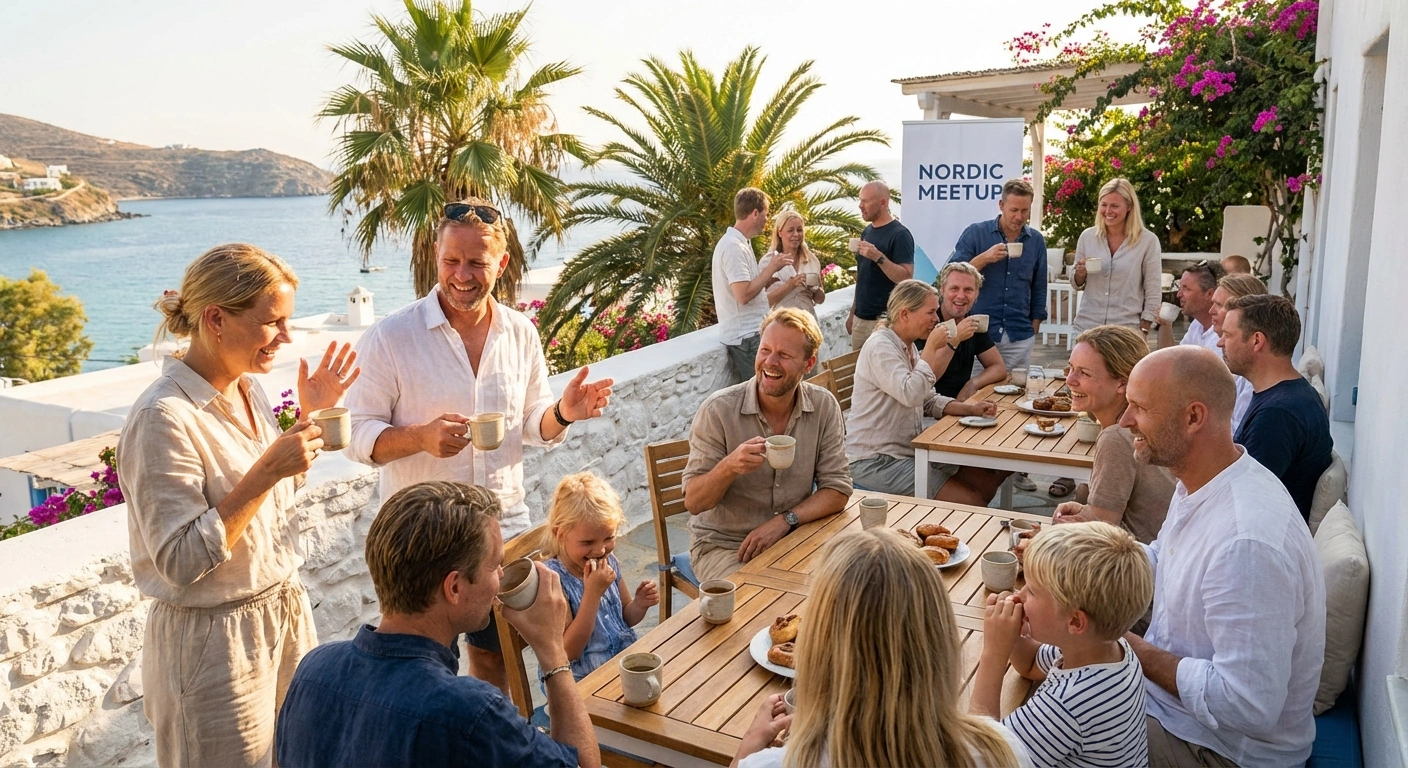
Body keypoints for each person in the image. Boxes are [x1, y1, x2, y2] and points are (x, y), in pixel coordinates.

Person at [344, 198, 613, 692]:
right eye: (451, 260)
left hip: (502, 534)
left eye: (476, 262)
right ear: (435, 256)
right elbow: (358, 437)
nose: (462, 275)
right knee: (419, 667)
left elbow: (532, 423)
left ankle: (490, 733)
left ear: (501, 263)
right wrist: (420, 437)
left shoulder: (520, 333)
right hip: (421, 540)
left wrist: (564, 413)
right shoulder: (391, 337)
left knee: (498, 660)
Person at [118, 243, 360, 767]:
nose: (286, 336)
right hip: (215, 646)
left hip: (283, 618)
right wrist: (266, 470)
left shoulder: (247, 391)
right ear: (216, 319)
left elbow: (268, 501)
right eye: (272, 322)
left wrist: (308, 422)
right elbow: (180, 559)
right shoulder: (163, 418)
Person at [275, 482, 600, 768]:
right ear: (454, 587)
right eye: (495, 566)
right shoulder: (471, 713)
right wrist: (553, 652)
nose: (501, 576)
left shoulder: (313, 667)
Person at [1119, 346, 1325, 767]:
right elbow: (1165, 559)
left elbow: (1247, 704)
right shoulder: (1205, 480)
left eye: (1139, 407)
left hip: (1221, 750)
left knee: (1048, 727)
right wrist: (1080, 557)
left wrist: (1128, 649)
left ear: (1194, 417)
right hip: (1181, 715)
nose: (1125, 421)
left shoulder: (1245, 543)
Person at [732, 529, 1033, 768]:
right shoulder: (1000, 751)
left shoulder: (772, 764)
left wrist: (749, 748)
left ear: (815, 650)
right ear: (941, 643)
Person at [683, 307, 852, 583]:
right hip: (727, 546)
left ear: (808, 364)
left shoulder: (823, 406)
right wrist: (729, 466)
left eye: (784, 355)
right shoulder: (718, 410)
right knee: (757, 599)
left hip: (794, 535)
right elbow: (694, 502)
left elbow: (837, 489)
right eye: (765, 350)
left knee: (850, 584)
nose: (770, 362)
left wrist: (786, 520)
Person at [971, 522, 1153, 768]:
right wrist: (1012, 636)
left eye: (1032, 591)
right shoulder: (1106, 649)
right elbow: (1031, 664)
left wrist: (994, 653)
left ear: (1075, 622)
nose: (1019, 595)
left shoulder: (1067, 704)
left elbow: (980, 757)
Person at [846, 279, 1002, 506]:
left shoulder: (906, 345)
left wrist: (969, 409)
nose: (937, 319)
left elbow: (926, 398)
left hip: (909, 451)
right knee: (971, 501)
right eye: (930, 312)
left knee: (985, 479)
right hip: (875, 461)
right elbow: (911, 394)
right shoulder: (881, 346)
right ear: (905, 314)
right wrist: (930, 348)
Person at [1050, 325, 1175, 544]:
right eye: (1070, 368)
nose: (1070, 380)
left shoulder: (1117, 437)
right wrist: (1086, 511)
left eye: (1084, 373)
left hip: (1139, 560)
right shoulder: (1152, 424)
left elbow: (1102, 538)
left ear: (1122, 383)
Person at [1219, 294, 1333, 522]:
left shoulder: (1278, 415)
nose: (1220, 342)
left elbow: (1243, 501)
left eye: (1228, 335)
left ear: (1257, 341)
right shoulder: (1292, 394)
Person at [543, 472, 659, 682]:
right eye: (588, 542)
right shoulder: (553, 580)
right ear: (560, 534)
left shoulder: (609, 561)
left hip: (620, 664)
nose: (600, 550)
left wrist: (639, 604)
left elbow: (625, 618)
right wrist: (592, 594)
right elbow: (568, 652)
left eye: (608, 538)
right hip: (582, 680)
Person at [949, 178, 1049, 376]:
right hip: (979, 334)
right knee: (975, 390)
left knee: (1016, 390)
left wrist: (1034, 325)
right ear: (1001, 205)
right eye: (1014, 210)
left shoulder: (1036, 240)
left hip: (1019, 335)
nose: (1019, 217)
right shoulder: (976, 233)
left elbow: (1039, 285)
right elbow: (951, 274)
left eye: (1025, 211)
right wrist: (984, 258)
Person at [1156, 260, 1254, 431]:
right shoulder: (1197, 325)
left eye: (1186, 288)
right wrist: (1165, 325)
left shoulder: (1235, 353)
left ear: (1209, 294)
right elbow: (1172, 362)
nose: (1179, 294)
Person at [713, 187, 790, 380]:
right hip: (746, 338)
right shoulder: (733, 247)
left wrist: (766, 281)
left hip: (751, 335)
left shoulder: (740, 243)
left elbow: (746, 287)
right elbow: (743, 295)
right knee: (764, 390)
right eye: (766, 214)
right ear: (755, 213)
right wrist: (771, 268)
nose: (767, 220)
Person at [1071, 178, 1162, 335]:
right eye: (1104, 204)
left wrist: (1145, 328)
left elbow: (1153, 289)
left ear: (1129, 207)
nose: (1107, 211)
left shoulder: (1148, 241)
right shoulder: (1087, 237)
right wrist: (1079, 274)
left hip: (1126, 330)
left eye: (1114, 206)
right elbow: (1076, 283)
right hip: (1087, 327)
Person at [847, 180, 915, 351]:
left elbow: (906, 277)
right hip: (860, 320)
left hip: (886, 321)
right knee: (858, 368)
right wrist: (852, 313)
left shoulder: (900, 235)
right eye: (860, 200)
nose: (860, 206)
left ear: (883, 203)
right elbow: (863, 276)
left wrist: (878, 257)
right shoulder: (867, 231)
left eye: (865, 201)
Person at [927, 261, 1008, 401]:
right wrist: (956, 337)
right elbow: (928, 378)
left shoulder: (972, 322)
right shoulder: (929, 321)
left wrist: (973, 384)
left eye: (968, 290)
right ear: (942, 290)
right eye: (954, 288)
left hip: (960, 406)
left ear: (976, 294)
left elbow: (999, 368)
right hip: (928, 406)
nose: (961, 295)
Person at [759, 209, 825, 319]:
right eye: (790, 230)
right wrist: (791, 285)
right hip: (780, 323)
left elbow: (820, 299)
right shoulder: (768, 262)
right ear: (780, 233)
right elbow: (764, 303)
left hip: (807, 322)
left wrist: (815, 288)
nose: (796, 234)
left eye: (799, 230)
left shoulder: (811, 260)